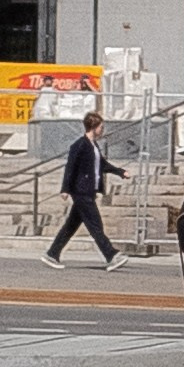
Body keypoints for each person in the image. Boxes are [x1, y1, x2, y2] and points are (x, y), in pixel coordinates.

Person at [48, 109, 118, 265]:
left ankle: (52, 253)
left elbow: (102, 165)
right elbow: (70, 167)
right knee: (95, 225)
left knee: (71, 226)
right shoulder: (79, 145)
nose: (102, 130)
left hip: (89, 191)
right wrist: (65, 189)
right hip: (80, 191)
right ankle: (111, 255)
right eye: (101, 127)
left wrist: (120, 172)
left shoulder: (93, 146)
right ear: (94, 127)